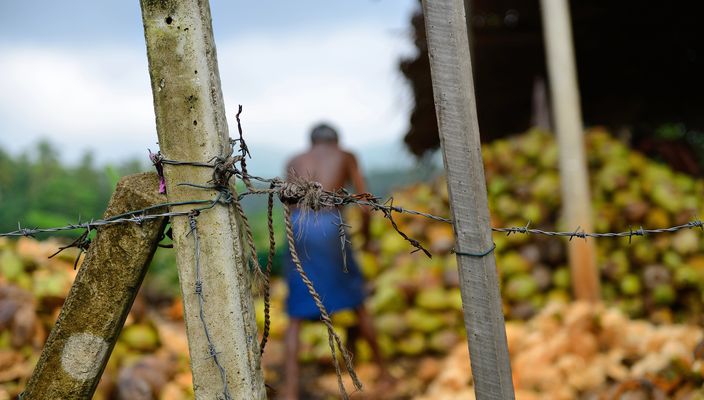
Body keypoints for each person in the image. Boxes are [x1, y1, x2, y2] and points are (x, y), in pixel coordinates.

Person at [282, 123, 393, 400]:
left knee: (296, 312)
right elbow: (365, 205)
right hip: (330, 225)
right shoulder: (346, 155)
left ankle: (290, 389)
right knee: (357, 301)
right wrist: (367, 240)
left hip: (297, 226)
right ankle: (385, 373)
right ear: (336, 141)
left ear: (311, 141)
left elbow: (286, 200)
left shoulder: (294, 160)